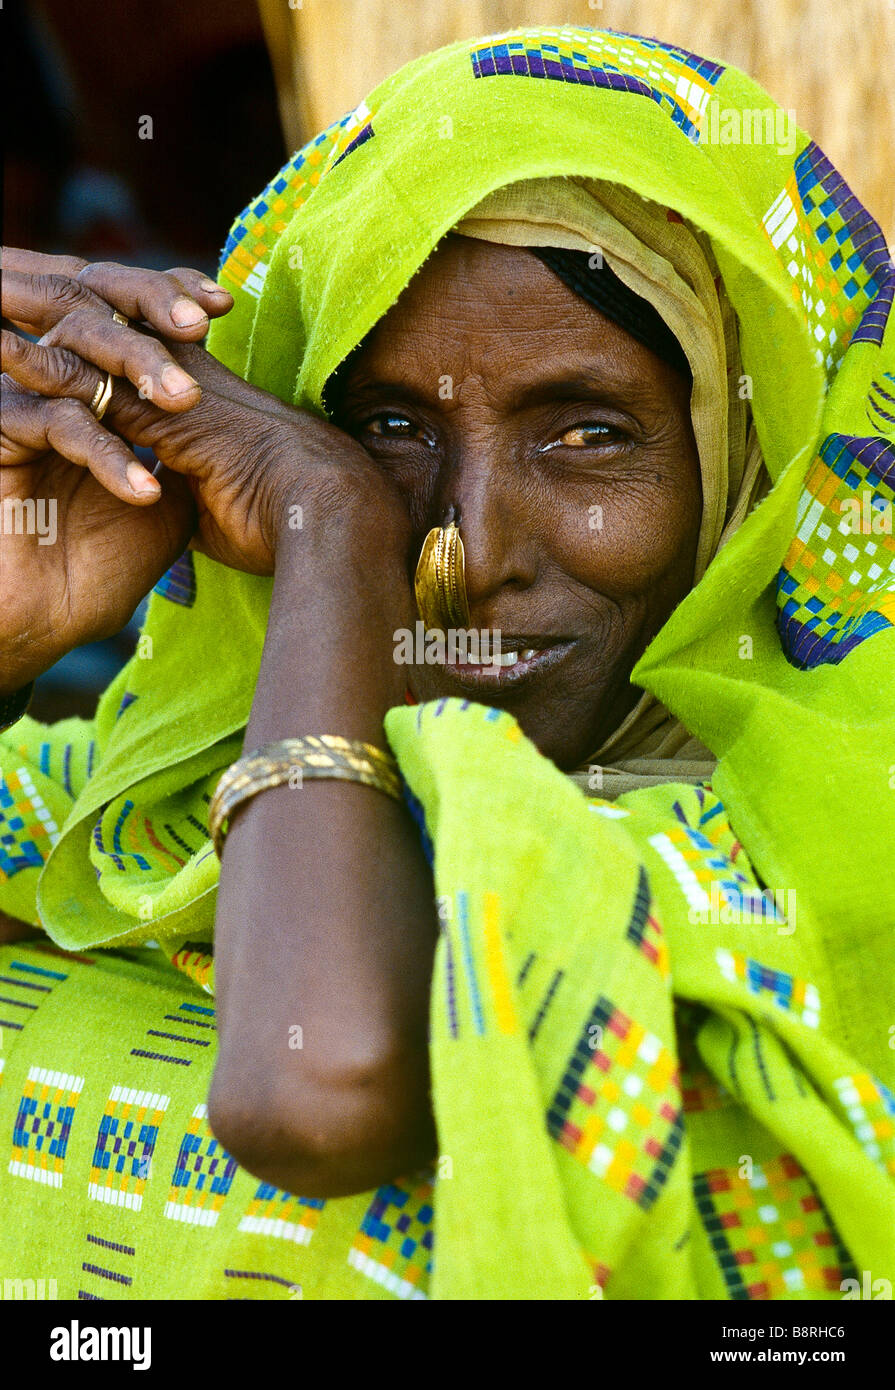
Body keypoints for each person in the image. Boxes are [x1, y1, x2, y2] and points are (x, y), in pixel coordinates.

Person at [1, 26, 893, 1301]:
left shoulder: (837, 853)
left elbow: (318, 1094)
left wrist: (331, 516)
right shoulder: (146, 816)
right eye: (387, 428)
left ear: (744, 482)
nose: (464, 553)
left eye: (588, 433)